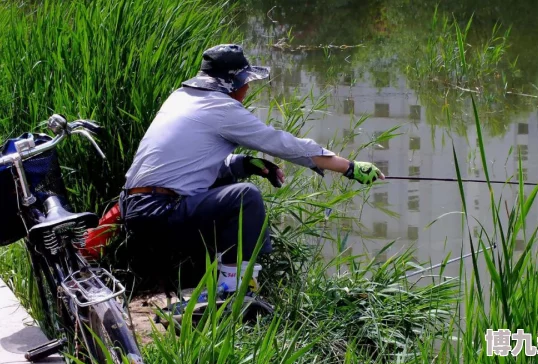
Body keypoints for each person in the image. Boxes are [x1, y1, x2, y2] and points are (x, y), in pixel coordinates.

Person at [119, 44, 385, 300]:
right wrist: (348, 167)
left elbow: (193, 165)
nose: (247, 88)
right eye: (245, 81)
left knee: (233, 181)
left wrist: (246, 164)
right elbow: (283, 144)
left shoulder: (182, 98)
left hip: (135, 207)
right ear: (233, 84)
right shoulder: (222, 109)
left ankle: (211, 275)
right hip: (159, 212)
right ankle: (232, 289)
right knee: (245, 197)